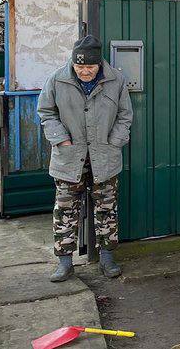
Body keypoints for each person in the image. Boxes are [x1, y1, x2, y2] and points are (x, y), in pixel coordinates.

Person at [37, 35, 133, 281]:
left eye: (90, 67)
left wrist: (114, 142)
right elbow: (46, 112)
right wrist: (61, 139)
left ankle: (108, 260)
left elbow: (125, 116)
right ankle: (65, 263)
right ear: (73, 63)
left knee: (107, 209)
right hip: (69, 157)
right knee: (65, 210)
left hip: (105, 157)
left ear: (99, 63)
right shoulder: (57, 79)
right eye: (80, 67)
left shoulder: (116, 80)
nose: (85, 71)